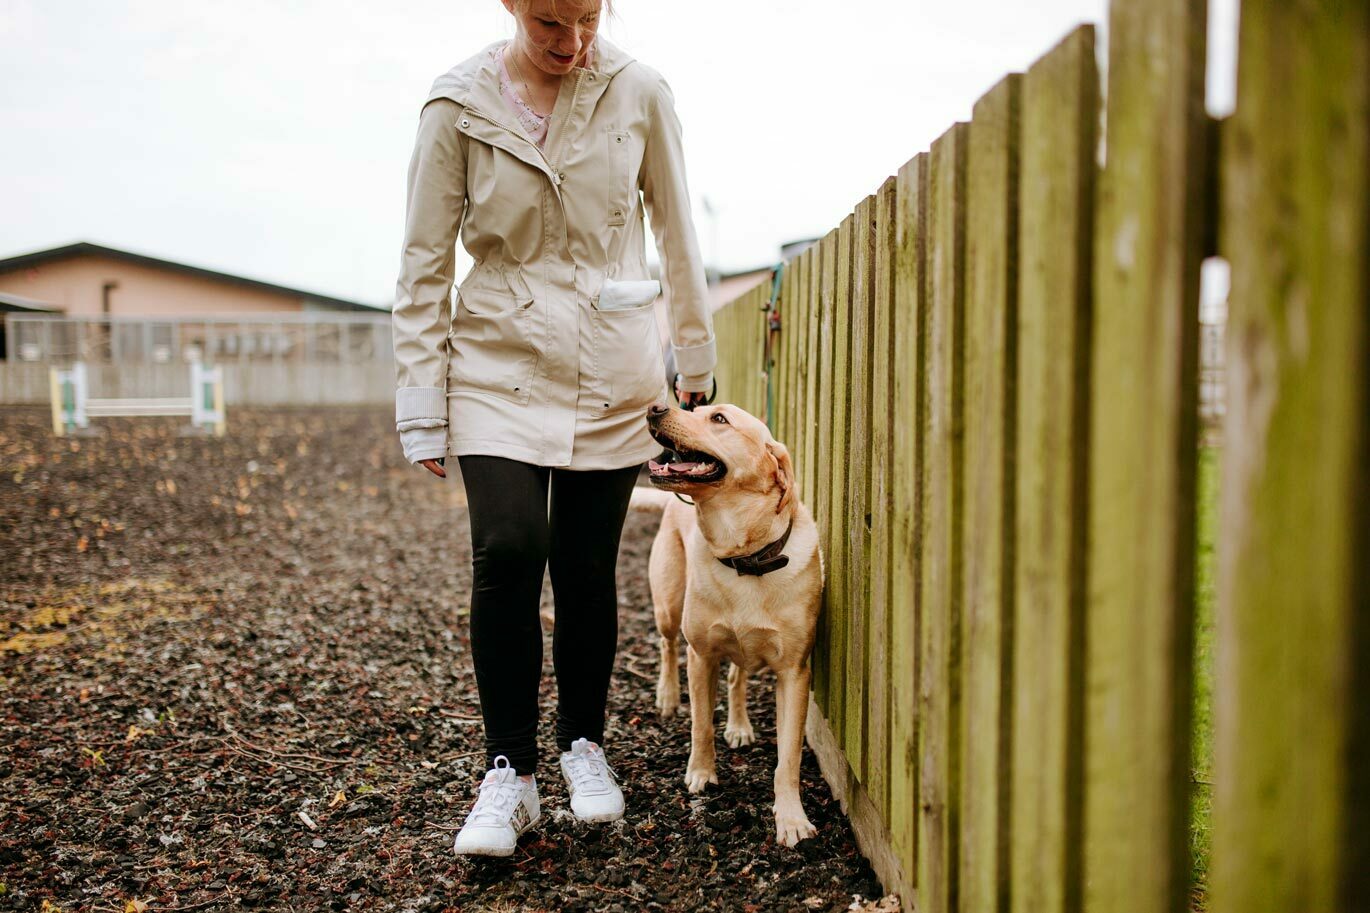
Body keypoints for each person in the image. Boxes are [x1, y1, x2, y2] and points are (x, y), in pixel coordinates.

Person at [389, 0, 716, 858]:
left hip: (613, 367)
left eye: (586, 19)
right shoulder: (455, 105)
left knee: (583, 563)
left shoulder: (640, 91)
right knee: (507, 547)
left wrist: (696, 366)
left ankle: (582, 745)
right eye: (547, 23)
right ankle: (510, 772)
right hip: (497, 360)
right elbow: (425, 258)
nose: (571, 43)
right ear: (509, 7)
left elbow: (678, 232)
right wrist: (422, 396)